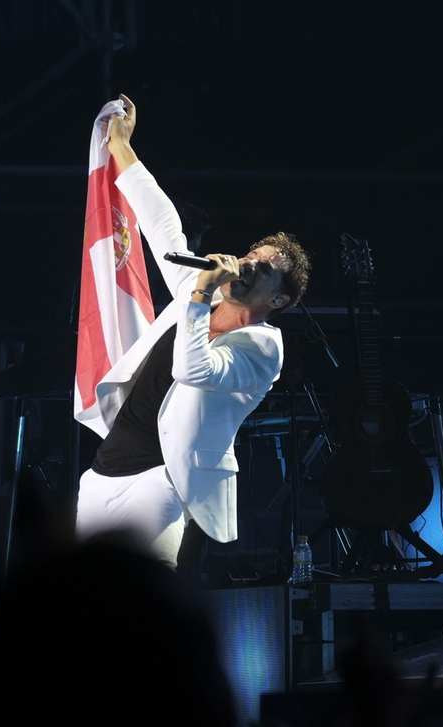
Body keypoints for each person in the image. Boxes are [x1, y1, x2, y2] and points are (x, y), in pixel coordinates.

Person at [73, 94, 310, 567]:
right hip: (103, 475)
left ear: (278, 300)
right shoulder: (195, 293)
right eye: (253, 256)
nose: (249, 265)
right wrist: (121, 145)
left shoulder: (263, 350)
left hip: (161, 484)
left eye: (265, 270)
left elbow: (192, 368)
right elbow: (161, 225)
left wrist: (201, 295)